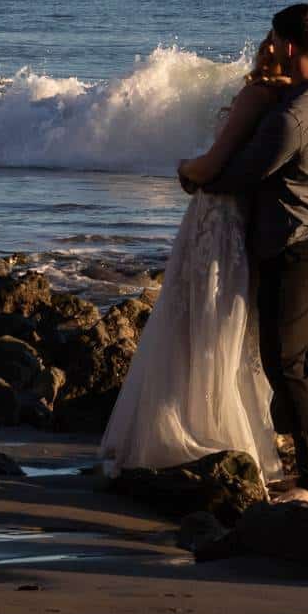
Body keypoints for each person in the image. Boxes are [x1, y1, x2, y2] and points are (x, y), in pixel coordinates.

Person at [98, 38, 289, 485]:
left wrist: (186, 167)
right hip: (251, 220)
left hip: (217, 216)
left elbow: (214, 162)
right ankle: (237, 424)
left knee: (193, 318)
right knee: (230, 323)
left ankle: (192, 424)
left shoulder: (258, 93)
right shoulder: (294, 98)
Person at [197, 3, 308, 489]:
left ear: (287, 46)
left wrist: (193, 173)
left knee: (286, 363)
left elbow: (238, 175)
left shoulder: (293, 116)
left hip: (297, 245)